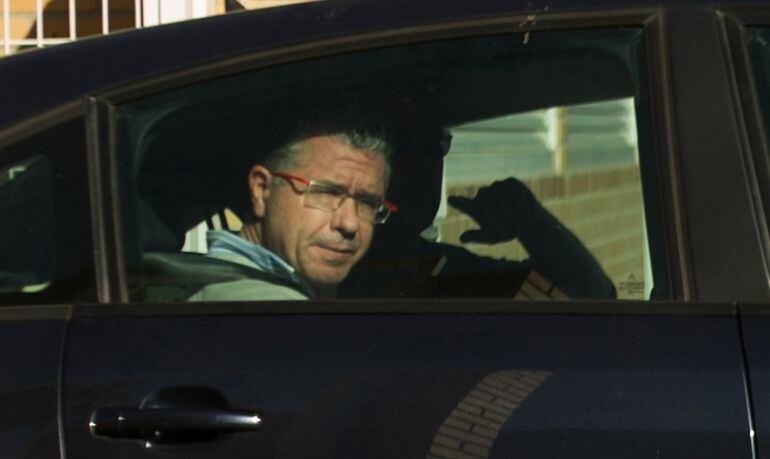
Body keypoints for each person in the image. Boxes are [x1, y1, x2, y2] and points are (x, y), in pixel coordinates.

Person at [340, 126, 616, 300]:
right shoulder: (326, 269)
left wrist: (532, 222)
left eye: (432, 144)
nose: (421, 162)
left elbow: (592, 298)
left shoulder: (447, 271)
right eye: (397, 143)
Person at [188, 114, 396, 301]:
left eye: (367, 203)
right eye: (326, 192)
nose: (350, 223)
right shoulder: (267, 305)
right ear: (261, 190)